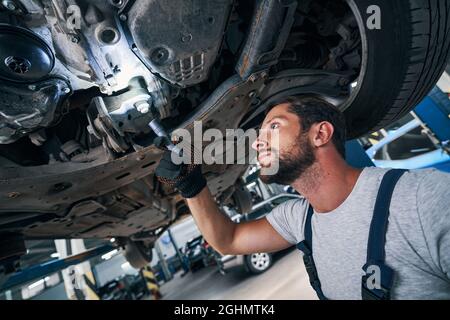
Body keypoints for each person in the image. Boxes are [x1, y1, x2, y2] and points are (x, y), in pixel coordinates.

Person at [155, 96, 450, 300]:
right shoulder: (298, 218)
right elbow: (228, 240)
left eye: (274, 126)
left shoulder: (421, 198)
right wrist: (190, 184)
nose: (257, 141)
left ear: (320, 134)